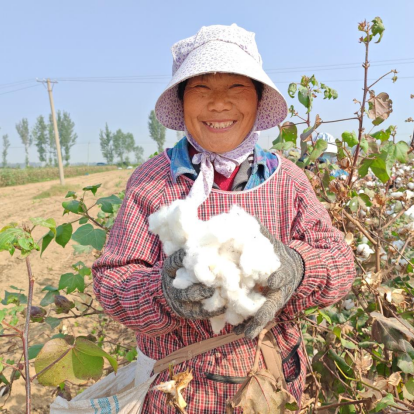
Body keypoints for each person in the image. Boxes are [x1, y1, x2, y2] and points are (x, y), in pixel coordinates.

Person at [92, 24, 355, 413]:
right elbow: (111, 282)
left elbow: (340, 261)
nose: (218, 104)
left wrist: (296, 267)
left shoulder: (287, 182)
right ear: (182, 102)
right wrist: (164, 291)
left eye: (236, 88)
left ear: (259, 99)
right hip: (177, 394)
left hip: (272, 387)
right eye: (201, 89)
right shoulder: (151, 183)